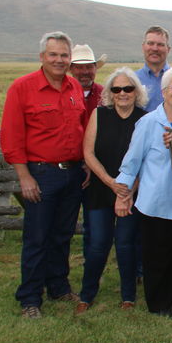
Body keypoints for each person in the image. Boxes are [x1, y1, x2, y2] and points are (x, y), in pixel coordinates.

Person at [0, 31, 86, 318]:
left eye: (64, 55)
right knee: (37, 237)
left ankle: (59, 287)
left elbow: (79, 130)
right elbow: (11, 137)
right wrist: (24, 176)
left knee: (62, 235)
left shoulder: (74, 86)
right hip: (40, 173)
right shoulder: (22, 88)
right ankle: (30, 298)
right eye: (54, 55)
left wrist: (84, 163)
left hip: (72, 173)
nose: (59, 60)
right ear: (42, 57)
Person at [116, 67, 172, 317]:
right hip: (156, 200)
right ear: (163, 91)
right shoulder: (148, 122)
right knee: (157, 254)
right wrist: (123, 195)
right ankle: (159, 302)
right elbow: (132, 162)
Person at [74, 67, 147, 315]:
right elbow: (88, 152)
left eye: (128, 88)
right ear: (110, 92)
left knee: (126, 244)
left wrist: (126, 192)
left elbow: (147, 160)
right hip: (100, 189)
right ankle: (87, 294)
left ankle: (128, 296)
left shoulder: (144, 118)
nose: (123, 93)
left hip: (130, 193)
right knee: (97, 244)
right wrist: (108, 181)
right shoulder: (98, 114)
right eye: (117, 89)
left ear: (136, 91)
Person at [69, 43, 107, 259]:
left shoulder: (104, 94)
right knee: (64, 222)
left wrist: (90, 163)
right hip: (70, 165)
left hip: (96, 168)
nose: (84, 72)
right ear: (71, 69)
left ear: (95, 68)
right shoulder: (64, 93)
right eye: (79, 67)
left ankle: (91, 267)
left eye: (89, 67)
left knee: (94, 225)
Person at [136, 25, 171, 112]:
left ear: (168, 49)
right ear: (143, 47)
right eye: (150, 43)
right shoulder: (132, 80)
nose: (155, 48)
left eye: (160, 45)